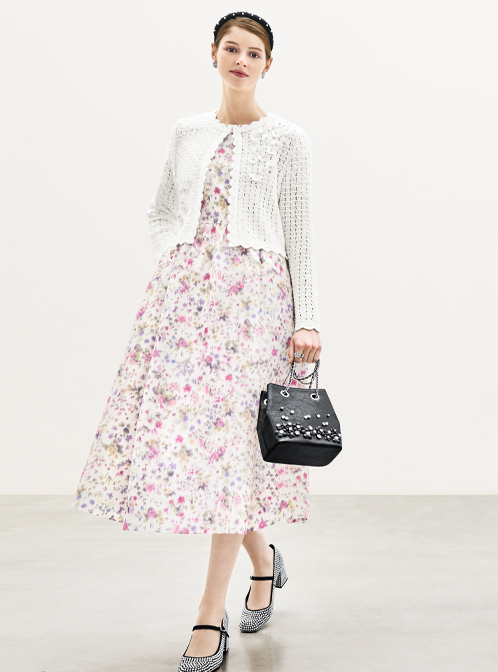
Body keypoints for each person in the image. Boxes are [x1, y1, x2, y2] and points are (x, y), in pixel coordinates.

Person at [71, 11, 322, 672]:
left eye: (254, 52)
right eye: (232, 48)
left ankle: (209, 616)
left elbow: (301, 236)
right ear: (213, 54)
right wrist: (177, 259)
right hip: (186, 304)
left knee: (233, 451)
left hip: (256, 307)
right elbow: (161, 210)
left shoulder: (287, 139)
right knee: (208, 452)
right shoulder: (187, 132)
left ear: (269, 64)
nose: (242, 60)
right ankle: (264, 563)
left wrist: (309, 319)